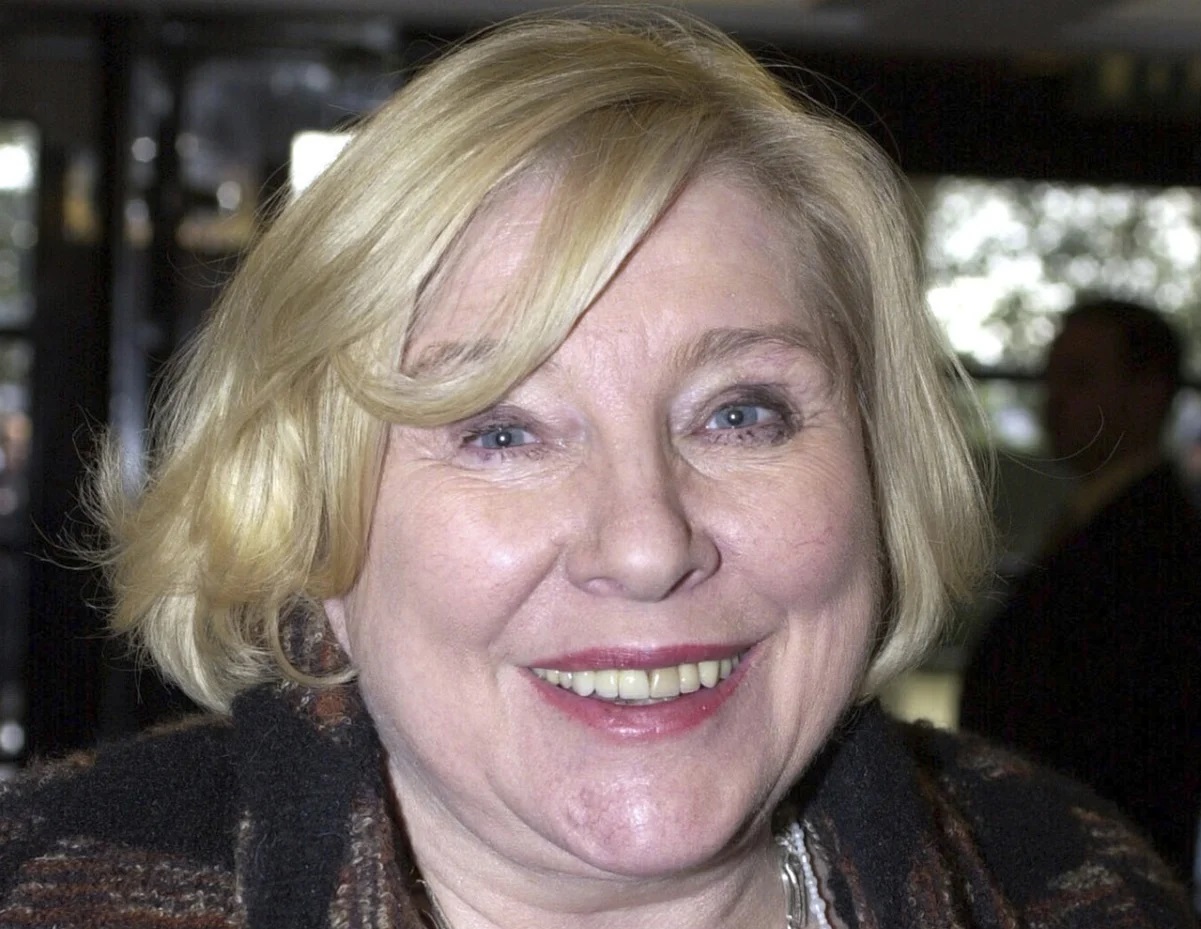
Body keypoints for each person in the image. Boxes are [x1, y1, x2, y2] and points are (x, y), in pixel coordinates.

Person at [1, 11, 1192, 928]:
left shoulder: (1068, 878)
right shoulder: (50, 884)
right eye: (500, 430)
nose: (646, 542)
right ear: (307, 518)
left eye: (739, 413)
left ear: (878, 472)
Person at [961, 299, 1201, 884]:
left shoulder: (1156, 550)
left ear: (1148, 395)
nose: (1053, 397)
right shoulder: (1100, 524)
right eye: (1051, 375)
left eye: (1079, 377)